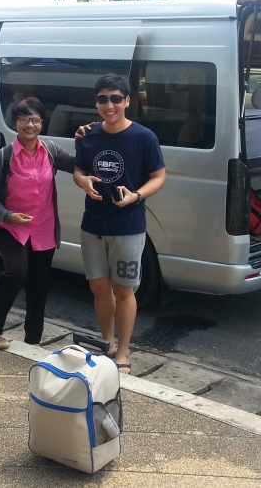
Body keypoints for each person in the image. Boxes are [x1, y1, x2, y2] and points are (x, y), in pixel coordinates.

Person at [73, 74, 166, 374]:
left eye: (115, 98)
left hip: (128, 226)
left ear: (127, 101)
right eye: (103, 99)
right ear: (96, 102)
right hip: (93, 225)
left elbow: (159, 177)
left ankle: (123, 352)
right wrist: (82, 181)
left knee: (125, 291)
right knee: (99, 287)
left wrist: (136, 196)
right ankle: (107, 344)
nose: (109, 105)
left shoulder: (144, 137)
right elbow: (78, 171)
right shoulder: (87, 136)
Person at [0, 97, 75, 349]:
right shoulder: (3, 156)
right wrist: (7, 215)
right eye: (24, 119)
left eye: (35, 119)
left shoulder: (51, 151)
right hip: (12, 228)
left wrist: (89, 139)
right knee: (16, 273)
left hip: (44, 229)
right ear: (15, 122)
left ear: (42, 123)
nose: (30, 124)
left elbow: (78, 165)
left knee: (39, 286)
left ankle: (33, 340)